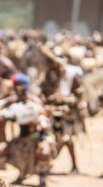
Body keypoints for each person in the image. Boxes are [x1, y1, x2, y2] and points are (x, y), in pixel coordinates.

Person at [0, 73, 54, 187]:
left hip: (38, 138)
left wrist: (36, 122)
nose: (18, 88)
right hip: (22, 138)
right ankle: (23, 171)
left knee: (44, 153)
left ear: (26, 85)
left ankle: (41, 174)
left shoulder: (34, 101)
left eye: (21, 85)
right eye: (16, 85)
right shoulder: (12, 100)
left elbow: (43, 117)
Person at [40, 46, 85, 174]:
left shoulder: (71, 73)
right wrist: (47, 99)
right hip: (51, 111)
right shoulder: (48, 74)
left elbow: (79, 93)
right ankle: (49, 160)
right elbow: (43, 91)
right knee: (50, 137)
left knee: (67, 138)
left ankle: (74, 165)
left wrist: (67, 99)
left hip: (68, 111)